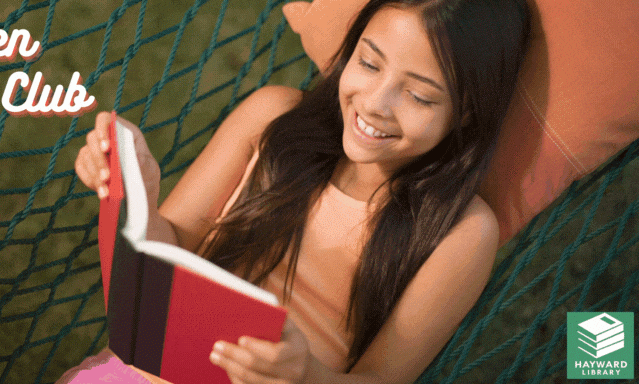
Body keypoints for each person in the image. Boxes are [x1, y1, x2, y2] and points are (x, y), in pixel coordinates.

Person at [67, 0, 530, 382]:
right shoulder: (272, 121)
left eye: (419, 96)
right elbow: (163, 259)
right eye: (368, 63)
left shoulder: (461, 231)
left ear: (467, 112)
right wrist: (136, 195)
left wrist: (303, 373)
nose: (375, 103)